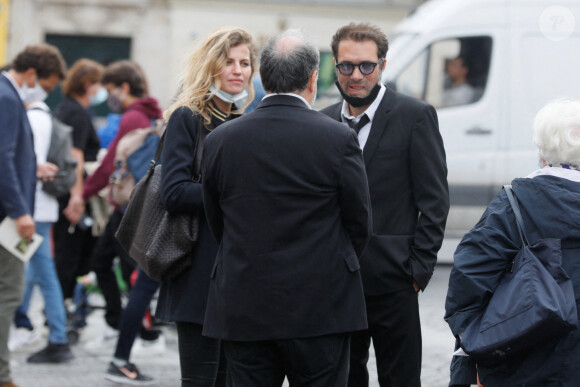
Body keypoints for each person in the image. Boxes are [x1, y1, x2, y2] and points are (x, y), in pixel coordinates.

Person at [202, 29, 372, 387]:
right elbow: (359, 222)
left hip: (244, 303)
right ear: (313, 79)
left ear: (261, 76)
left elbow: (217, 220)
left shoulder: (221, 140)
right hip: (321, 306)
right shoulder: (338, 138)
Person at [321, 23, 450, 387]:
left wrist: (417, 271)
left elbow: (434, 200)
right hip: (336, 283)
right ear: (335, 67)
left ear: (382, 65)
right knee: (345, 378)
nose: (356, 75)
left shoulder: (414, 116)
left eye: (366, 66)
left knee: (401, 378)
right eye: (346, 66)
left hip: (395, 280)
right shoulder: (323, 122)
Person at [445, 99, 580, 386]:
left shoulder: (515, 203)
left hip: (520, 359)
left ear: (541, 149)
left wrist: (476, 345)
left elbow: (468, 279)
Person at [153, 26, 257, 387]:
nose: (238, 70)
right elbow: (175, 192)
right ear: (210, 66)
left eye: (245, 63)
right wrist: (234, 194)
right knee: (199, 380)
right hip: (196, 269)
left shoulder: (240, 121)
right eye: (228, 61)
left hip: (234, 272)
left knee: (230, 379)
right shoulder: (188, 117)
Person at [82, 60, 162, 344]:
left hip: (128, 205)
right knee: (124, 267)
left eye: (109, 89)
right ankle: (132, 326)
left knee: (113, 266)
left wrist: (83, 194)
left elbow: (109, 164)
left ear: (123, 87)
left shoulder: (132, 117)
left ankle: (130, 328)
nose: (108, 97)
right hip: (136, 202)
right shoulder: (150, 113)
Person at [0, 43, 66, 387]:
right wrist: (21, 211)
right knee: (8, 292)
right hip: (6, 218)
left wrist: (32, 167)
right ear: (30, 75)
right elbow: (3, 158)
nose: (45, 93)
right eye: (47, 85)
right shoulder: (9, 98)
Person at [12, 97, 75, 364]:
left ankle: (57, 337)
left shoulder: (33, 120)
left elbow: (29, 164)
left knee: (40, 270)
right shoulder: (47, 118)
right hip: (41, 208)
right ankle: (22, 319)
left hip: (31, 209)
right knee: (33, 268)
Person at [53, 58, 104, 310]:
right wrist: (78, 196)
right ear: (87, 84)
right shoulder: (77, 113)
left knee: (70, 253)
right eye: (97, 85)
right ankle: (62, 307)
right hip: (73, 193)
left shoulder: (68, 108)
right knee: (70, 255)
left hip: (68, 191)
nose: (99, 91)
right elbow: (76, 156)